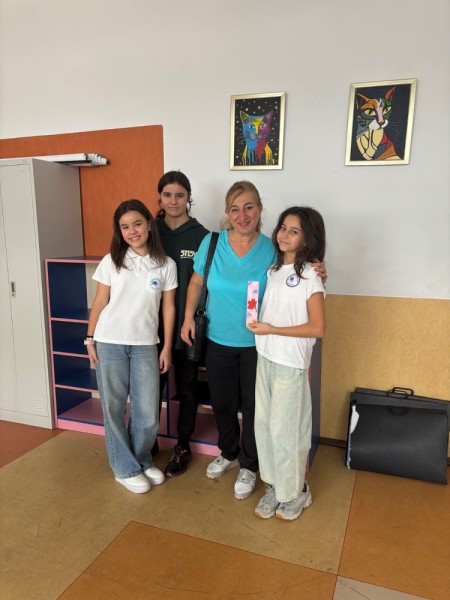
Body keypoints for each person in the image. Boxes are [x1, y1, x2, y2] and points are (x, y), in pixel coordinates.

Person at [182, 181, 327, 501]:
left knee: (254, 407)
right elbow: (195, 281)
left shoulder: (272, 248)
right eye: (235, 209)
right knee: (222, 401)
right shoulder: (212, 242)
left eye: (249, 207)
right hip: (217, 338)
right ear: (227, 212)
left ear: (260, 209)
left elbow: (298, 272)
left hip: (258, 345)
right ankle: (228, 452)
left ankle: (249, 464)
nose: (242, 215)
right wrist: (188, 317)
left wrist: (319, 269)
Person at [85, 199, 177, 494]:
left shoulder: (166, 264)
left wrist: (166, 348)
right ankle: (124, 468)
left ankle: (140, 460)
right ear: (119, 231)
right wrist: (89, 338)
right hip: (109, 341)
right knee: (112, 408)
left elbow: (168, 308)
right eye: (125, 227)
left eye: (137, 223)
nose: (132, 231)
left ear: (149, 224)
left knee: (148, 411)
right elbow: (100, 301)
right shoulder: (111, 261)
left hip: (146, 344)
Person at [248, 206, 326, 521]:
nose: (284, 234)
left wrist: (272, 329)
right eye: (283, 227)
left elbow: (317, 328)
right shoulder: (273, 271)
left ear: (308, 239)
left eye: (294, 231)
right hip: (265, 357)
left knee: (287, 431)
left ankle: (296, 491)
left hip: (290, 364)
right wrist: (262, 328)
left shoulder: (311, 276)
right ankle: (276, 486)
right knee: (265, 427)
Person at [154, 171, 209, 477]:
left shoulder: (203, 236)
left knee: (187, 388)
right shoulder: (149, 232)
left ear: (189, 197)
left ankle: (183, 446)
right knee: (151, 388)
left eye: (179, 195)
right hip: (152, 328)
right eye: (167, 195)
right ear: (159, 198)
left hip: (187, 329)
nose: (173, 201)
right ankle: (147, 442)